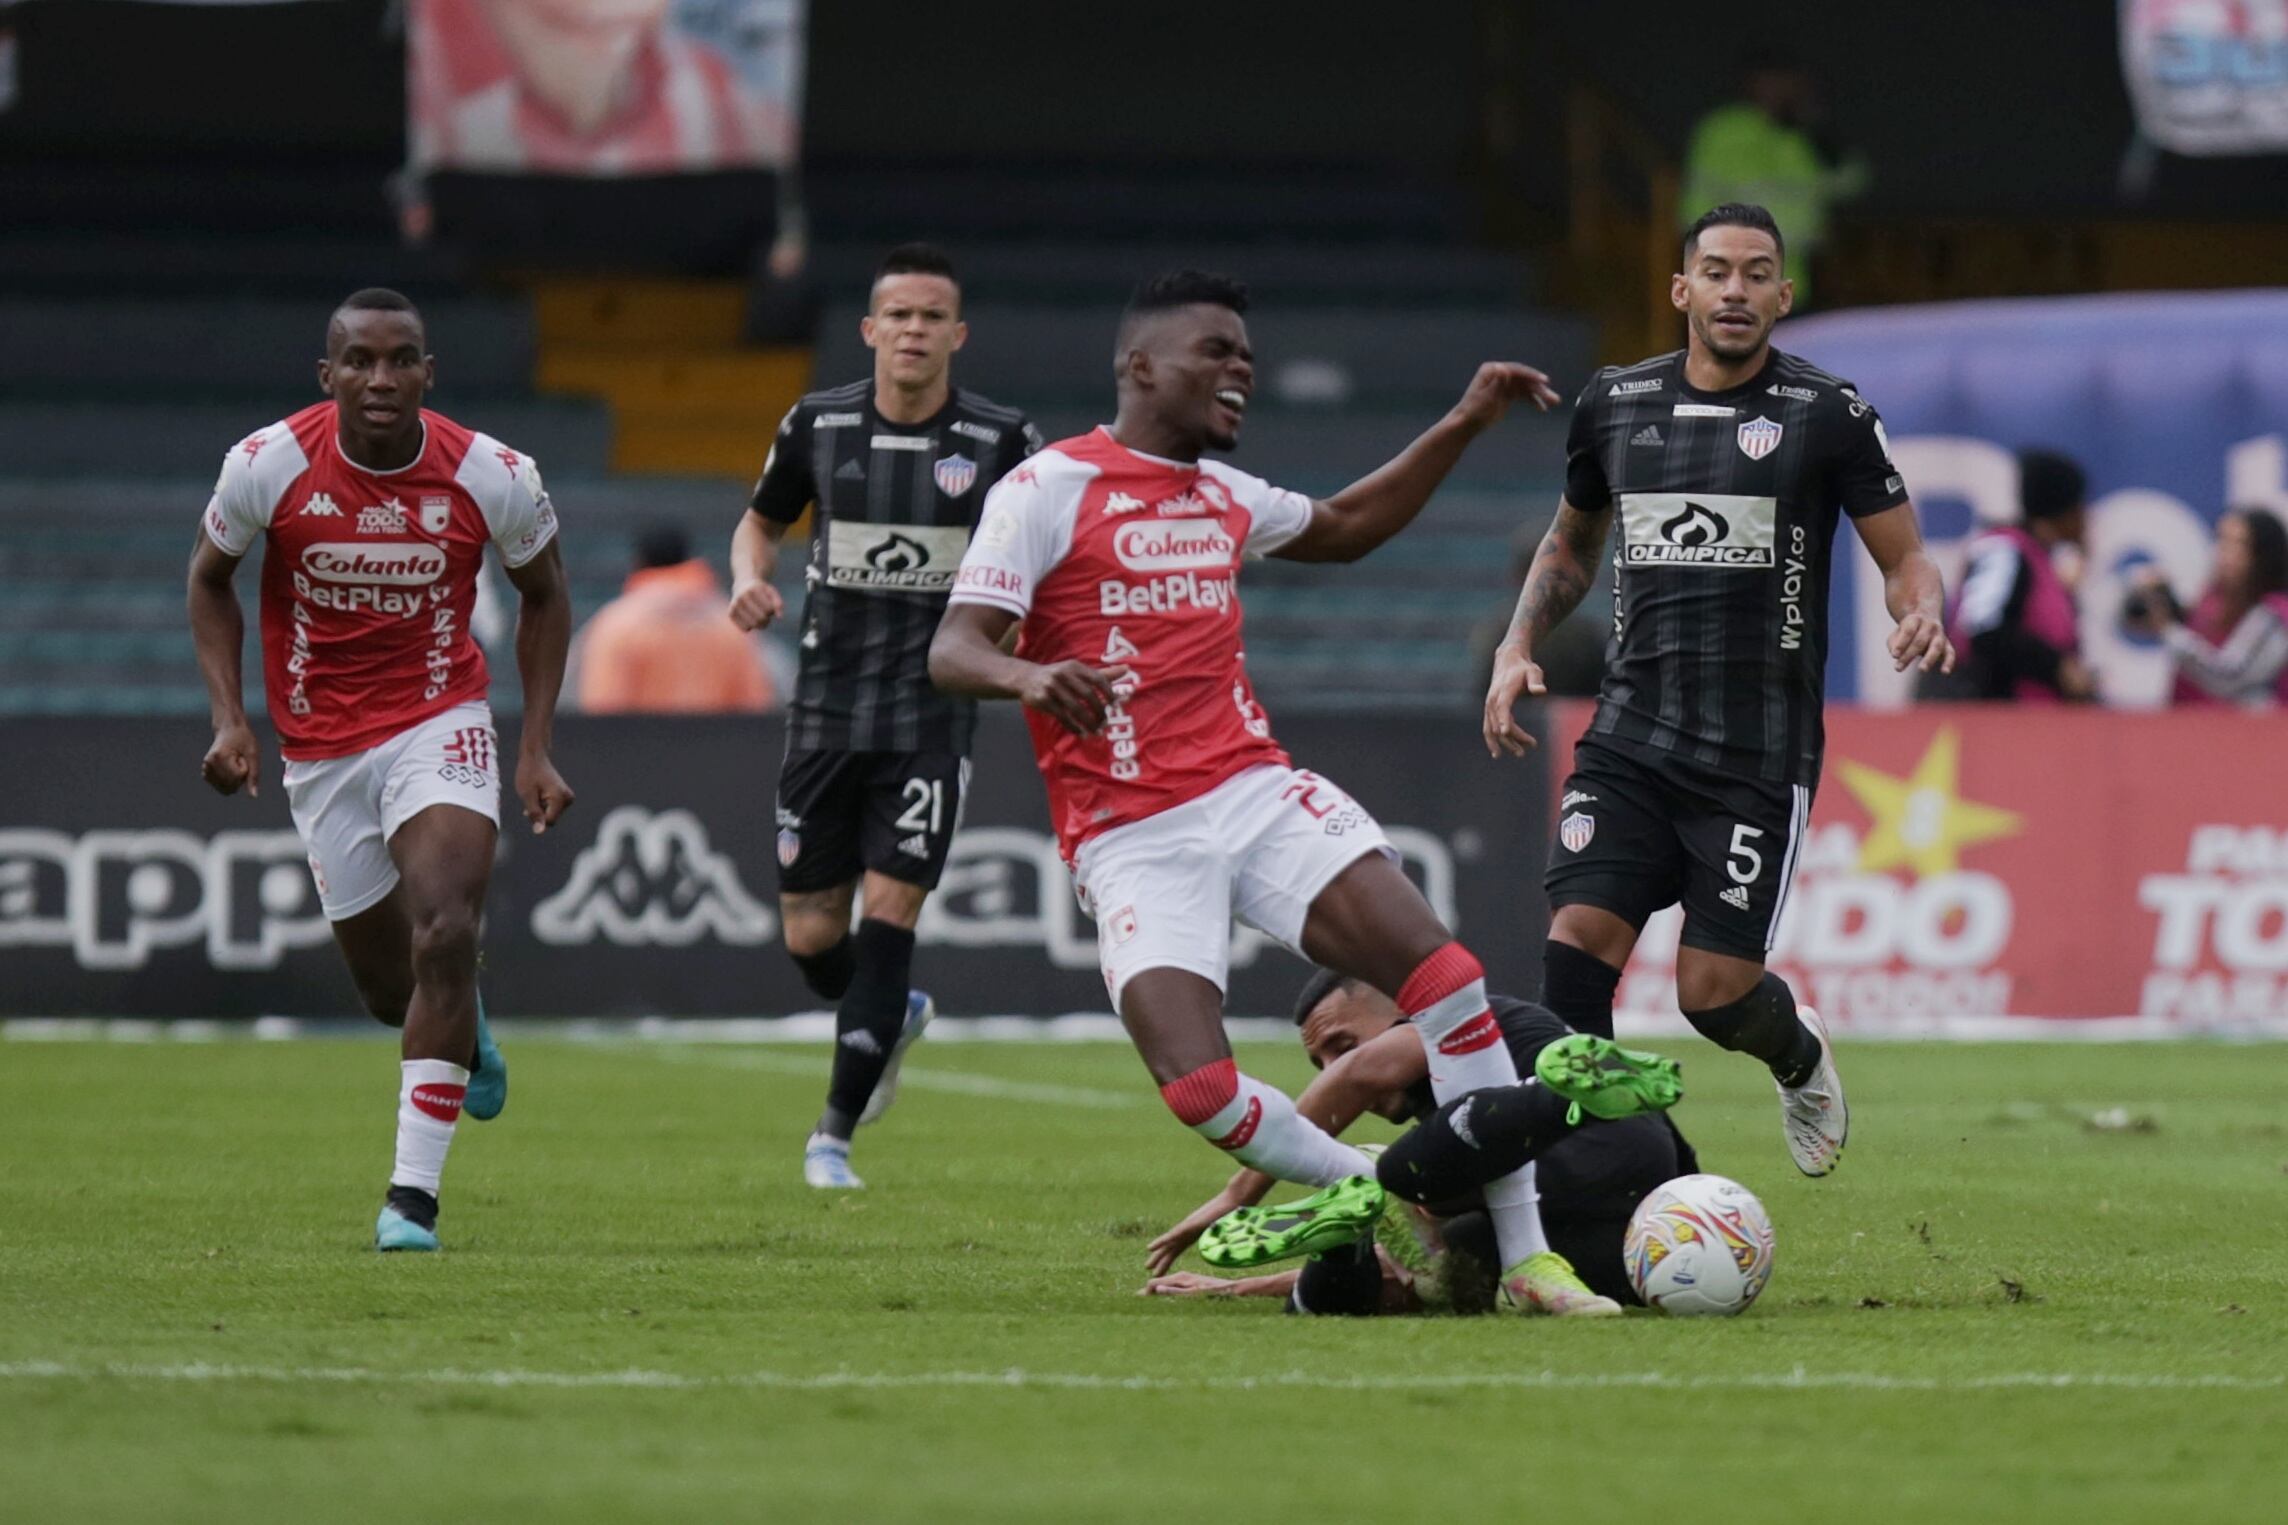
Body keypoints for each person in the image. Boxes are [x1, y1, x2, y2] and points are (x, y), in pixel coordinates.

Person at [930, 267, 1634, 1317]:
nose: (1238, 373)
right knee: (1199, 1091)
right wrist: (1029, 674)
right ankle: (1368, 1194)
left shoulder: (1224, 496)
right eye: (1214, 353)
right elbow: (951, 647)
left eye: (1246, 359)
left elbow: (1347, 525)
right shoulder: (1045, 490)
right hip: (1127, 833)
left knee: (1443, 974)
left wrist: (1464, 419)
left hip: (1251, 792)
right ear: (1138, 366)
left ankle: (1531, 1260)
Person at [1484, 204, 1955, 1180]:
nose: (1734, 291)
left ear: (1783, 294)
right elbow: (1572, 542)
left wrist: (1919, 608)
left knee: (1711, 992)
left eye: (1754, 274)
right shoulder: (1613, 402)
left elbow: (1904, 555)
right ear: (1680, 289)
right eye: (1715, 272)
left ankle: (1795, 1052)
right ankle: (1597, 1176)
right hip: (1627, 735)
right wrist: (1515, 641)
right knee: (1574, 950)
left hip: (1754, 754)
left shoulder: (1826, 413)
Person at [187, 288, 575, 1252]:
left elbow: (545, 593)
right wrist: (231, 719)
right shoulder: (266, 464)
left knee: (446, 925)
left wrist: (533, 745)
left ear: (427, 373)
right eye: (359, 360)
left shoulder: (495, 474)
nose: (380, 378)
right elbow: (208, 578)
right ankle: (464, 1022)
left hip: (440, 717)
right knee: (387, 989)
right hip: (320, 747)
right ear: (328, 375)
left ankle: (412, 1199)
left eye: (401, 359)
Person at [730, 244, 1042, 1190]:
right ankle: (889, 1008)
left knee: (892, 906)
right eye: (897, 315)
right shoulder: (818, 422)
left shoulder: (1002, 441)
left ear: (957, 334)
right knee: (814, 939)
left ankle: (832, 1137)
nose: (913, 331)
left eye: (930, 316)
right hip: (824, 710)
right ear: (870, 330)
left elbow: (1046, 554)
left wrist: (1023, 638)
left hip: (932, 714)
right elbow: (761, 520)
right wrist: (751, 578)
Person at [1142, 971, 1690, 1314]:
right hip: (1637, 1211)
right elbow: (1401, 1266)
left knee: (1409, 1179)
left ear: (1402, 1016)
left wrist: (1239, 1194)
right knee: (1445, 1269)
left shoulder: (1458, 1023)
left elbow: (1359, 1074)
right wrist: (1236, 1288)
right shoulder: (1447, 1120)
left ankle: (1563, 1101)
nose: (1337, 1066)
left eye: (1343, 1044)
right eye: (1321, 1061)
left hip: (1611, 1143)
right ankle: (1347, 1231)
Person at [1679, 54, 1867, 305]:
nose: (1782, 90)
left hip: (1794, 274)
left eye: (1790, 83)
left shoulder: (1800, 135)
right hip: (1734, 273)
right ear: (1752, 83)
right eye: (1774, 81)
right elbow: (1697, 199)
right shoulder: (1724, 128)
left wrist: (1822, 132)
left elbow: (1851, 182)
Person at [1930, 449, 2097, 703]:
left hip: (2037, 726)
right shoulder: (2003, 550)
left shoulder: (2043, 562)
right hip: (1997, 724)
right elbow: (1983, 631)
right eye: (2080, 504)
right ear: (2066, 509)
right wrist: (2057, 667)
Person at [571, 524, 777, 713]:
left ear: (639, 562)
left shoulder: (616, 625)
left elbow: (603, 710)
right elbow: (755, 705)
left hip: (640, 750)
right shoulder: (733, 625)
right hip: (721, 750)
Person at [2130, 507, 2288, 707]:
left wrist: (2167, 630)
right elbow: (2131, 619)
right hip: (2189, 724)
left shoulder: (2275, 613)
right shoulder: (2212, 598)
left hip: (2246, 732)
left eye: (2238, 544)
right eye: (2222, 540)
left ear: (2263, 554)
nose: (2225, 553)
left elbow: (2227, 676)